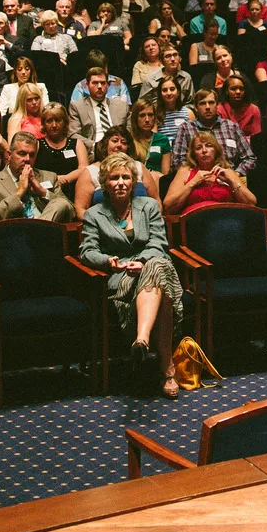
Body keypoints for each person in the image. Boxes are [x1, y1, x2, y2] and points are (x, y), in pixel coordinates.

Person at [80, 152, 184, 397]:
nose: (120, 182)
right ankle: (167, 370)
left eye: (126, 177)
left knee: (156, 266)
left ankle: (142, 340)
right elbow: (87, 252)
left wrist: (142, 261)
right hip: (122, 275)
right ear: (105, 182)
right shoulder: (94, 214)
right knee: (163, 287)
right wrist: (108, 261)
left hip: (150, 263)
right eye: (114, 177)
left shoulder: (148, 206)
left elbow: (159, 242)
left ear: (134, 182)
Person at [0, 130, 76, 224]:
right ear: (9, 155)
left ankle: (35, 232)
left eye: (32, 155)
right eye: (22, 154)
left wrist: (42, 192)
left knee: (60, 203)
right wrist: (19, 193)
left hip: (47, 237)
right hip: (13, 236)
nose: (27, 159)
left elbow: (71, 211)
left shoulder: (49, 177)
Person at [162, 130, 256, 215]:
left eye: (209, 145)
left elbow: (251, 203)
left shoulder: (227, 172)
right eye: (199, 148)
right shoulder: (185, 171)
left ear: (216, 150)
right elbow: (168, 207)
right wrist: (192, 183)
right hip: (194, 222)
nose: (204, 150)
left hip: (226, 219)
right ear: (194, 154)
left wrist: (232, 181)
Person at [171, 85, 256, 174]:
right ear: (196, 108)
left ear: (217, 105)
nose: (207, 107)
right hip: (197, 181)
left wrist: (236, 174)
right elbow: (178, 161)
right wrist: (195, 176)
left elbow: (249, 158)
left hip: (229, 180)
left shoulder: (232, 127)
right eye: (202, 103)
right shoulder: (185, 128)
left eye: (211, 103)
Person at [68, 64, 132, 154]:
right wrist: (97, 146)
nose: (99, 86)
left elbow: (130, 131)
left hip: (119, 151)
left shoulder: (122, 106)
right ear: (87, 85)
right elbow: (73, 134)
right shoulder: (77, 107)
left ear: (108, 85)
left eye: (103, 83)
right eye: (95, 83)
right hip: (93, 152)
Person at [218, 74, 262, 138]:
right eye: (233, 89)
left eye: (241, 89)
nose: (238, 92)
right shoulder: (220, 110)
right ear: (226, 91)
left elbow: (257, 136)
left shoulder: (254, 109)